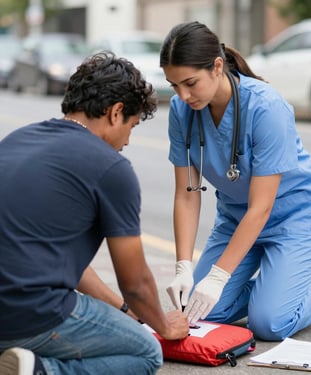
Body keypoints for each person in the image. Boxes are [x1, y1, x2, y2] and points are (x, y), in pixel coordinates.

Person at [160, 21, 311, 341]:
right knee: (201, 313)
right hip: (236, 219)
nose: (183, 95)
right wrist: (183, 266)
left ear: (217, 66)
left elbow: (262, 207)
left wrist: (220, 275)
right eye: (174, 85)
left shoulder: (266, 107)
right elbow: (187, 194)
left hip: (292, 218)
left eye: (190, 83)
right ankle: (277, 287)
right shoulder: (182, 112)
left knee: (269, 323)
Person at [0, 51, 189, 375]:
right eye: (131, 126)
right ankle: (41, 371)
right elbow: (136, 282)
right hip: (28, 314)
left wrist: (127, 312)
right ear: (116, 113)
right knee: (147, 352)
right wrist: (164, 326)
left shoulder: (17, 140)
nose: (127, 141)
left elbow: (69, 266)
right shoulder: (111, 167)